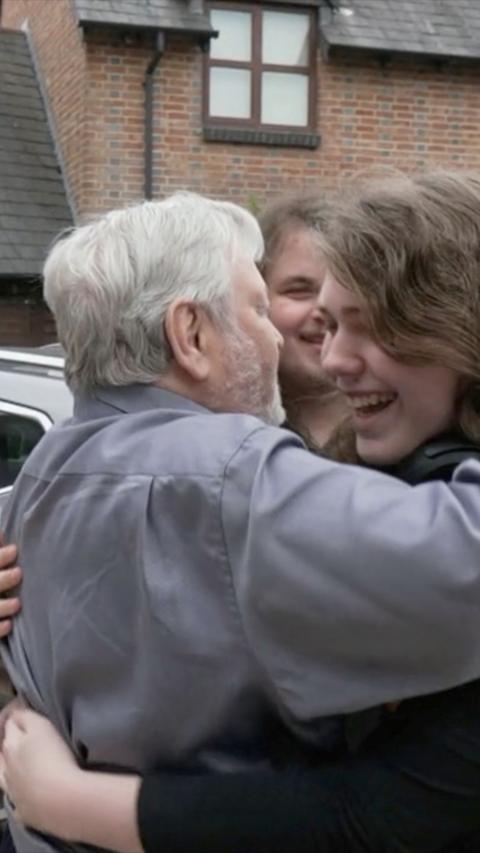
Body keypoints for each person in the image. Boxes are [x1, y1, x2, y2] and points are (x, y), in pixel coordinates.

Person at [4, 189, 480, 853]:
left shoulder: (35, 479)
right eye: (259, 308)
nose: (284, 337)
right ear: (190, 335)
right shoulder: (236, 478)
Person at [258, 194, 347, 447]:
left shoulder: (407, 432)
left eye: (346, 290)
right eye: (299, 290)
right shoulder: (231, 432)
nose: (326, 309)